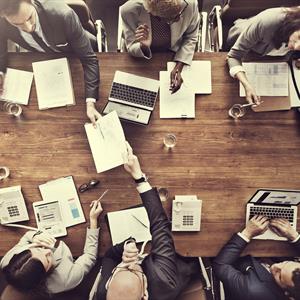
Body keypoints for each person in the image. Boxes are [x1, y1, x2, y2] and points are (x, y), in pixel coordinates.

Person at [94, 142, 201, 300]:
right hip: (175, 264)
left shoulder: (105, 292)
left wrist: (125, 246)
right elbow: (160, 225)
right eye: (133, 271)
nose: (130, 264)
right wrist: (139, 177)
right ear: (145, 294)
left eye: (122, 269)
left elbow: (109, 257)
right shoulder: (162, 280)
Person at [0, 0, 101, 125]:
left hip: (74, 54)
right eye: (17, 24)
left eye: (30, 18)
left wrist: (90, 104)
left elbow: (89, 60)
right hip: (45, 62)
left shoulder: (64, 15)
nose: (28, 28)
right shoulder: (2, 22)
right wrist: (1, 72)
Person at [0, 197, 103, 296]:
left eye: (37, 249)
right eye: (48, 260)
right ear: (44, 276)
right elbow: (89, 256)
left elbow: (26, 238)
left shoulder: (8, 261)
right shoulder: (66, 279)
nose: (47, 251)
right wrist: (93, 220)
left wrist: (35, 236)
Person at [120, 0, 200, 93]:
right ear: (153, 15)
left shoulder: (190, 3)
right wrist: (143, 46)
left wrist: (179, 66)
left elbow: (191, 37)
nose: (179, 19)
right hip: (143, 61)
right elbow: (131, 46)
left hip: (174, 53)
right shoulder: (129, 10)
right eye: (172, 18)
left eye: (179, 12)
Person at [213, 215, 300, 300]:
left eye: (280, 276)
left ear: (288, 294)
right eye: (286, 263)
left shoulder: (252, 291)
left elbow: (220, 266)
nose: (276, 266)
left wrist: (247, 233)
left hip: (235, 255)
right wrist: (293, 235)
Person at [226, 6, 300, 106]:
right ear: (295, 24)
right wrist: (247, 86)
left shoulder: (295, 41)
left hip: (273, 60)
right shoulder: (268, 22)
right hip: (247, 49)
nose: (296, 47)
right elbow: (233, 56)